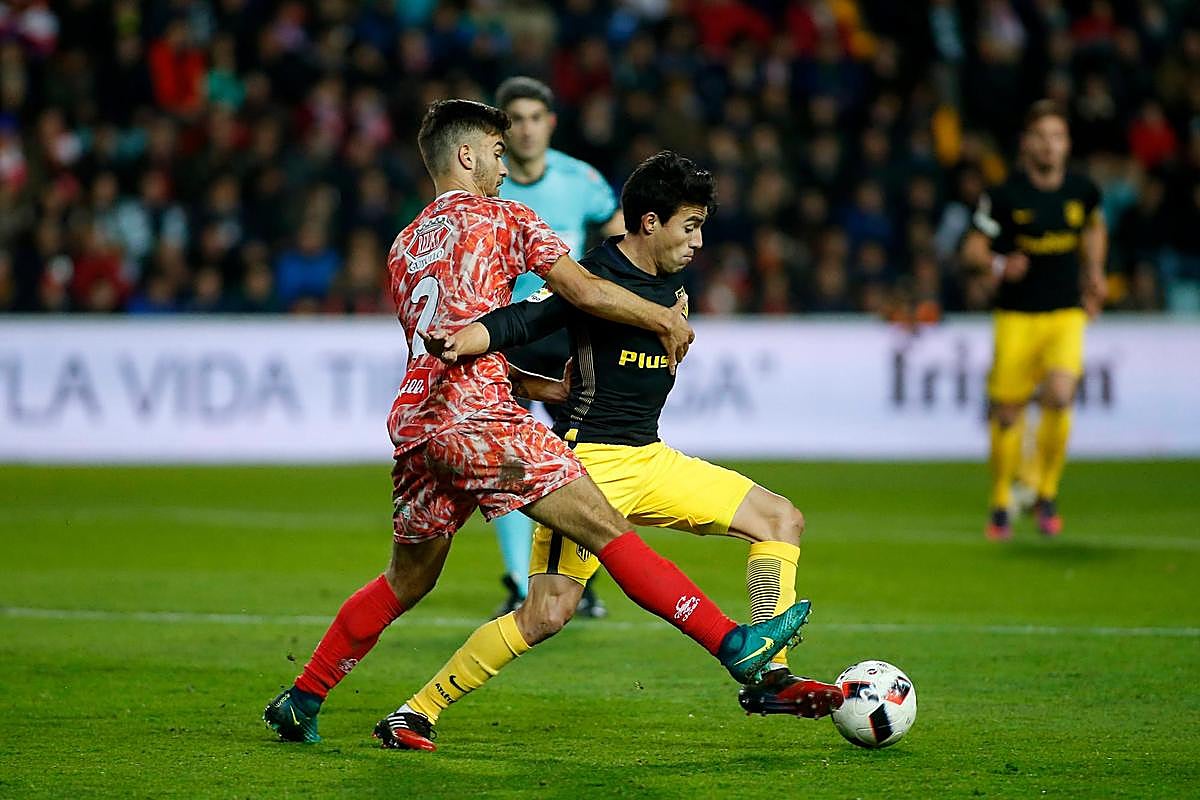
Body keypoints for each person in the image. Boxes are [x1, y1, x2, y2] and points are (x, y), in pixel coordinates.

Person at [263, 100, 813, 746]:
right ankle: (735, 646)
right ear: (467, 156)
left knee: (405, 580)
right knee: (607, 528)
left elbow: (444, 346)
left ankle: (304, 696)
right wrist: (661, 316)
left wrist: (540, 385)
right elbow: (577, 292)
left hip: (419, 425)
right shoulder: (506, 218)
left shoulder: (403, 246)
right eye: (497, 154)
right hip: (483, 422)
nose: (505, 166)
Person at [380, 151, 843, 751]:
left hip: (650, 457)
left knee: (781, 519)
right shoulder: (595, 275)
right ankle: (416, 711)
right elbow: (528, 319)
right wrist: (475, 336)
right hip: (590, 465)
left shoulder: (672, 279)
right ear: (649, 222)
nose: (698, 241)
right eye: (690, 226)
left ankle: (767, 676)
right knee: (545, 614)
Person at [489, 76, 625, 618]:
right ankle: (520, 583)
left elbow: (618, 240)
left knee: (579, 457)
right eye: (515, 118)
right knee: (506, 462)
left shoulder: (580, 180)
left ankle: (575, 578)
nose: (525, 128)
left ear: (551, 123)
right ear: (502, 127)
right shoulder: (485, 186)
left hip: (568, 336)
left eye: (534, 117)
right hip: (499, 336)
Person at [961, 100, 1108, 540]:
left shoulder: (1082, 191)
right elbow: (973, 249)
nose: (1049, 145)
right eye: (1041, 136)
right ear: (1027, 144)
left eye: (1057, 136)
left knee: (1061, 395)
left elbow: (1095, 228)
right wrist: (1002, 266)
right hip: (1017, 316)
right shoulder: (1005, 196)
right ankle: (1002, 500)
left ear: (1066, 144)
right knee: (1008, 412)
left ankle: (1046, 492)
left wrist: (1095, 272)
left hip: (1065, 312)